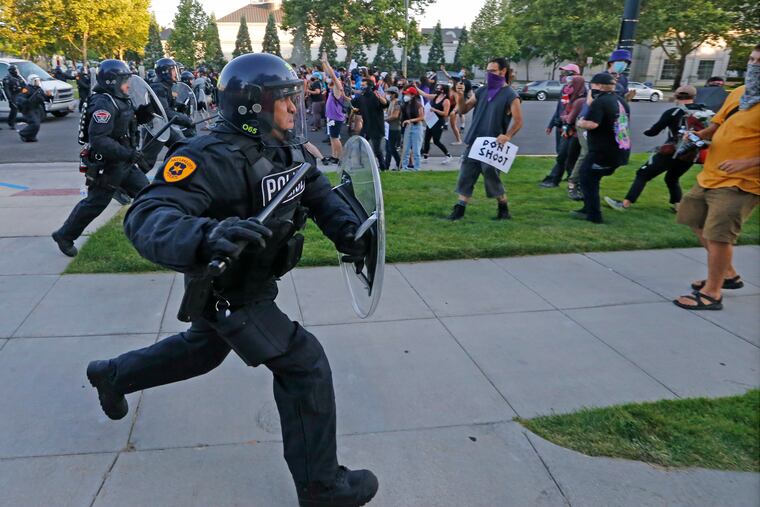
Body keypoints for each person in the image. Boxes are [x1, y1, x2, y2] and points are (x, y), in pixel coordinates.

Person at [84, 53, 379, 506]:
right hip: (229, 290)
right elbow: (147, 215)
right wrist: (205, 235)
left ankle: (113, 375)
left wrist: (347, 229)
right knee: (305, 364)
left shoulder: (283, 145)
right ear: (252, 104)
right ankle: (323, 488)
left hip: (253, 281)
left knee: (200, 352)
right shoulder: (205, 157)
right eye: (284, 100)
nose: (294, 109)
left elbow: (314, 187)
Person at [673, 44, 760, 311]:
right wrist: (700, 136)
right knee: (693, 219)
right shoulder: (740, 93)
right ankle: (729, 275)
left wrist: (747, 162)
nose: (754, 66)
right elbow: (718, 124)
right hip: (710, 174)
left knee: (720, 235)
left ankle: (712, 294)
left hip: (742, 182)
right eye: (753, 60)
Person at [52, 60, 152, 257]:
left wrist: (144, 114)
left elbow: (125, 124)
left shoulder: (121, 99)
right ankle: (64, 235)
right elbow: (99, 140)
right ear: (111, 81)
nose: (128, 84)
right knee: (95, 204)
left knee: (147, 194)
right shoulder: (103, 103)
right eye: (124, 80)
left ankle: (151, 237)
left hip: (124, 163)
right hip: (108, 167)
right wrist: (129, 154)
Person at [604, 85, 713, 213]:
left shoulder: (674, 112)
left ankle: (624, 204)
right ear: (694, 97)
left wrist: (647, 132)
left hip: (672, 151)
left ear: (677, 96)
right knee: (672, 178)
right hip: (692, 154)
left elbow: (654, 131)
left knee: (643, 174)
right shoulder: (705, 113)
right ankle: (679, 207)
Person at [447, 57, 523, 220]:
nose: (489, 74)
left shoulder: (511, 95)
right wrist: (460, 96)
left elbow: (518, 121)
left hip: (493, 144)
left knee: (490, 174)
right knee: (466, 174)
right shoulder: (482, 91)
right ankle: (459, 210)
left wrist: (507, 135)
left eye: (493, 71)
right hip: (475, 140)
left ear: (503, 71)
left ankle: (503, 208)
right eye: (487, 71)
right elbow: (464, 109)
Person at [571, 72, 631, 224]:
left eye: (591, 86)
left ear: (597, 86)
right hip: (619, 150)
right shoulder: (620, 101)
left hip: (602, 152)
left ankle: (594, 215)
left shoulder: (601, 102)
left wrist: (580, 123)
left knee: (586, 177)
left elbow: (592, 124)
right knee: (591, 178)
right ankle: (588, 208)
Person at [142, 58, 194, 170]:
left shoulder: (165, 86)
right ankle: (127, 183)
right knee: (145, 163)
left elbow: (169, 104)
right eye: (173, 70)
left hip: (163, 126)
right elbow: (165, 112)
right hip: (155, 129)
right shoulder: (158, 87)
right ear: (165, 72)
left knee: (181, 147)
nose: (177, 72)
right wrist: (186, 120)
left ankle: (169, 171)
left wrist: (180, 105)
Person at [540, 75, 586, 188]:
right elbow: (560, 111)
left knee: (568, 158)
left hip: (575, 133)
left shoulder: (581, 99)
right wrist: (553, 123)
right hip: (566, 131)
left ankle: (572, 183)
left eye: (571, 85)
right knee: (563, 157)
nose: (568, 87)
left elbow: (571, 117)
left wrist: (565, 117)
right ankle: (560, 180)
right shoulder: (569, 96)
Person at [352, 77, 388, 170]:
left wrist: (380, 97)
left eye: (364, 85)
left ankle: (383, 167)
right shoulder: (361, 97)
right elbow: (354, 105)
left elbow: (385, 104)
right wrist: (344, 95)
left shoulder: (375, 96)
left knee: (377, 149)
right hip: (366, 126)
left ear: (369, 86)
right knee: (360, 144)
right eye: (361, 86)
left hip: (376, 127)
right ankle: (361, 164)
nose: (362, 87)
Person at [545, 63, 581, 152]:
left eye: (566, 73)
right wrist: (551, 125)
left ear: (575, 75)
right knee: (559, 151)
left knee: (567, 153)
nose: (563, 75)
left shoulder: (581, 91)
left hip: (571, 128)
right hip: (560, 126)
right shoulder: (565, 90)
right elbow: (560, 108)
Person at [321, 53, 347, 164]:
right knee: (332, 137)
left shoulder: (338, 86)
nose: (329, 79)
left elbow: (331, 75)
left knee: (335, 138)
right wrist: (323, 63)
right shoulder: (333, 88)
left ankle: (341, 158)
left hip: (336, 118)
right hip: (331, 117)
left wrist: (326, 62)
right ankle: (334, 156)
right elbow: (327, 74)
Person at [417, 83, 452, 163]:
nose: (437, 89)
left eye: (439, 88)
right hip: (431, 120)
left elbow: (445, 114)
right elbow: (425, 94)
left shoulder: (446, 100)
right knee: (427, 138)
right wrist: (415, 87)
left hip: (439, 122)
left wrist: (435, 110)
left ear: (443, 90)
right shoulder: (436, 96)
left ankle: (448, 155)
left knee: (436, 140)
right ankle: (425, 156)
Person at [14, 74, 50, 142]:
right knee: (34, 123)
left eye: (38, 80)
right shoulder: (26, 89)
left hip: (36, 108)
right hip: (28, 108)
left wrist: (50, 96)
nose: (38, 82)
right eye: (36, 81)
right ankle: (23, 133)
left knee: (37, 124)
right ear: (32, 81)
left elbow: (44, 97)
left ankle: (30, 137)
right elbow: (20, 97)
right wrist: (25, 101)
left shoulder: (39, 89)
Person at [400, 86, 424, 171]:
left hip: (417, 127)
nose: (406, 96)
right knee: (406, 149)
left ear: (413, 95)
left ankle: (417, 168)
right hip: (408, 127)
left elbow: (421, 117)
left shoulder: (418, 105)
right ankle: (404, 167)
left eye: (408, 94)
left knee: (416, 150)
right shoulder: (406, 105)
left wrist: (410, 120)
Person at [384, 86, 402, 170]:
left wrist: (383, 119)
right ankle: (386, 165)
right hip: (389, 128)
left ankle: (399, 163)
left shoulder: (397, 103)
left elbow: (395, 116)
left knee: (391, 148)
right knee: (388, 148)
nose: (387, 95)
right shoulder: (391, 102)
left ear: (394, 94)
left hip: (395, 129)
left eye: (389, 93)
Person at [2, 64, 25, 129]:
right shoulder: (7, 79)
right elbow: (6, 89)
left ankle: (28, 120)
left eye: (17, 69)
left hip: (20, 95)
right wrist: (10, 99)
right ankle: (11, 123)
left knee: (25, 107)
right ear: (11, 70)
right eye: (15, 69)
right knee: (14, 109)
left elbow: (24, 86)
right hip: (13, 95)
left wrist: (25, 92)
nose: (16, 70)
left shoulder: (19, 77)